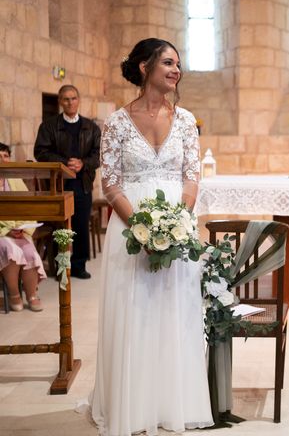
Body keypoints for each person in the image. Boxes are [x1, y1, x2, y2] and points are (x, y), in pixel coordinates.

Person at [89, 38, 213, 435]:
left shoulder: (187, 120)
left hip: (178, 229)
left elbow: (191, 177)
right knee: (134, 312)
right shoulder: (116, 123)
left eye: (178, 64)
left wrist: (179, 221)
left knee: (172, 312)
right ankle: (132, 406)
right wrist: (141, 227)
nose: (176, 70)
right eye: (167, 62)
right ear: (144, 68)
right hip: (128, 231)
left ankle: (169, 403)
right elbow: (110, 183)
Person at [34, 84, 101, 279]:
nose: (70, 102)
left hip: (82, 184)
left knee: (80, 225)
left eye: (73, 98)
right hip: (58, 185)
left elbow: (99, 155)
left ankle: (79, 266)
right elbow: (40, 152)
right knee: (59, 227)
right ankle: (60, 267)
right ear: (60, 102)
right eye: (66, 99)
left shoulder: (91, 127)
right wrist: (64, 163)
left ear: (78, 100)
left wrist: (83, 163)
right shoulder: (48, 126)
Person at [0, 142, 46, 312]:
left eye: (5, 156)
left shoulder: (15, 180)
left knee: (29, 251)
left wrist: (22, 228)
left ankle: (32, 294)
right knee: (10, 250)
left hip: (19, 231)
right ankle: (14, 295)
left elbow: (28, 206)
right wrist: (6, 230)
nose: (2, 160)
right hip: (1, 233)